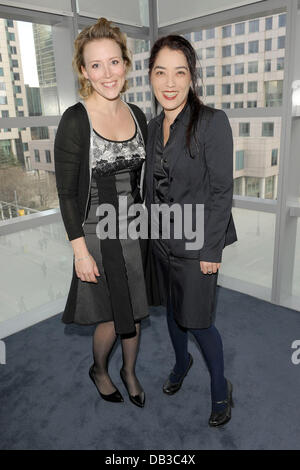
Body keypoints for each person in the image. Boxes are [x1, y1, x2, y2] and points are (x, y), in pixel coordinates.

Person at [54, 18, 149, 408]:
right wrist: (80, 251)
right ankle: (101, 369)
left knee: (136, 312)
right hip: (95, 232)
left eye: (114, 62)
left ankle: (129, 371)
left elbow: (145, 182)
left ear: (125, 63)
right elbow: (65, 194)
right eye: (96, 65)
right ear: (83, 70)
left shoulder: (139, 115)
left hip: (135, 230)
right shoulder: (75, 120)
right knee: (111, 315)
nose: (107, 73)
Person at [145, 35, 238, 426]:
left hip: (199, 244)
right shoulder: (151, 128)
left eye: (179, 72)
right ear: (150, 77)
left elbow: (221, 191)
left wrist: (212, 251)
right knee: (171, 311)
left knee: (199, 321)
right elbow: (148, 189)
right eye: (160, 72)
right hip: (160, 243)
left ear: (192, 76)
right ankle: (181, 362)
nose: (170, 82)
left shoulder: (212, 122)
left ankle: (221, 389)